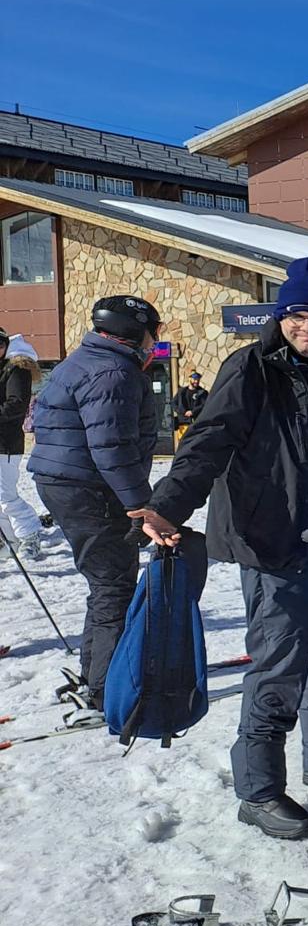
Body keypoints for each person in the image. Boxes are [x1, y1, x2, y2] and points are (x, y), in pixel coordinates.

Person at [131, 261, 308, 840]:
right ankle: (257, 789)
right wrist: (169, 504)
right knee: (279, 662)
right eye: (296, 315)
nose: (306, 326)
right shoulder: (255, 367)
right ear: (281, 316)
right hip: (274, 539)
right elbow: (209, 440)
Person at [29, 296, 161, 709]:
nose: (156, 340)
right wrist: (142, 506)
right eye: (154, 331)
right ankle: (105, 688)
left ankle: (96, 671)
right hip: (87, 487)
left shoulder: (85, 360)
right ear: (133, 331)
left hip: (68, 483)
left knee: (106, 584)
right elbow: (112, 448)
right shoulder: (113, 372)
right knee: (113, 585)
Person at [0, 330, 45, 560]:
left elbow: (16, 404)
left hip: (5, 443)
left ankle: (30, 533)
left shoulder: (17, 368)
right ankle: (9, 540)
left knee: (4, 494)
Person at [173, 370, 209, 448]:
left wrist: (193, 412)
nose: (197, 381)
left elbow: (205, 405)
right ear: (189, 379)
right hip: (183, 423)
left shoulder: (203, 393)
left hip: (197, 422)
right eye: (195, 379)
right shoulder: (181, 392)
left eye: (198, 379)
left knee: (196, 444)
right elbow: (174, 404)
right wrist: (183, 412)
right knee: (183, 444)